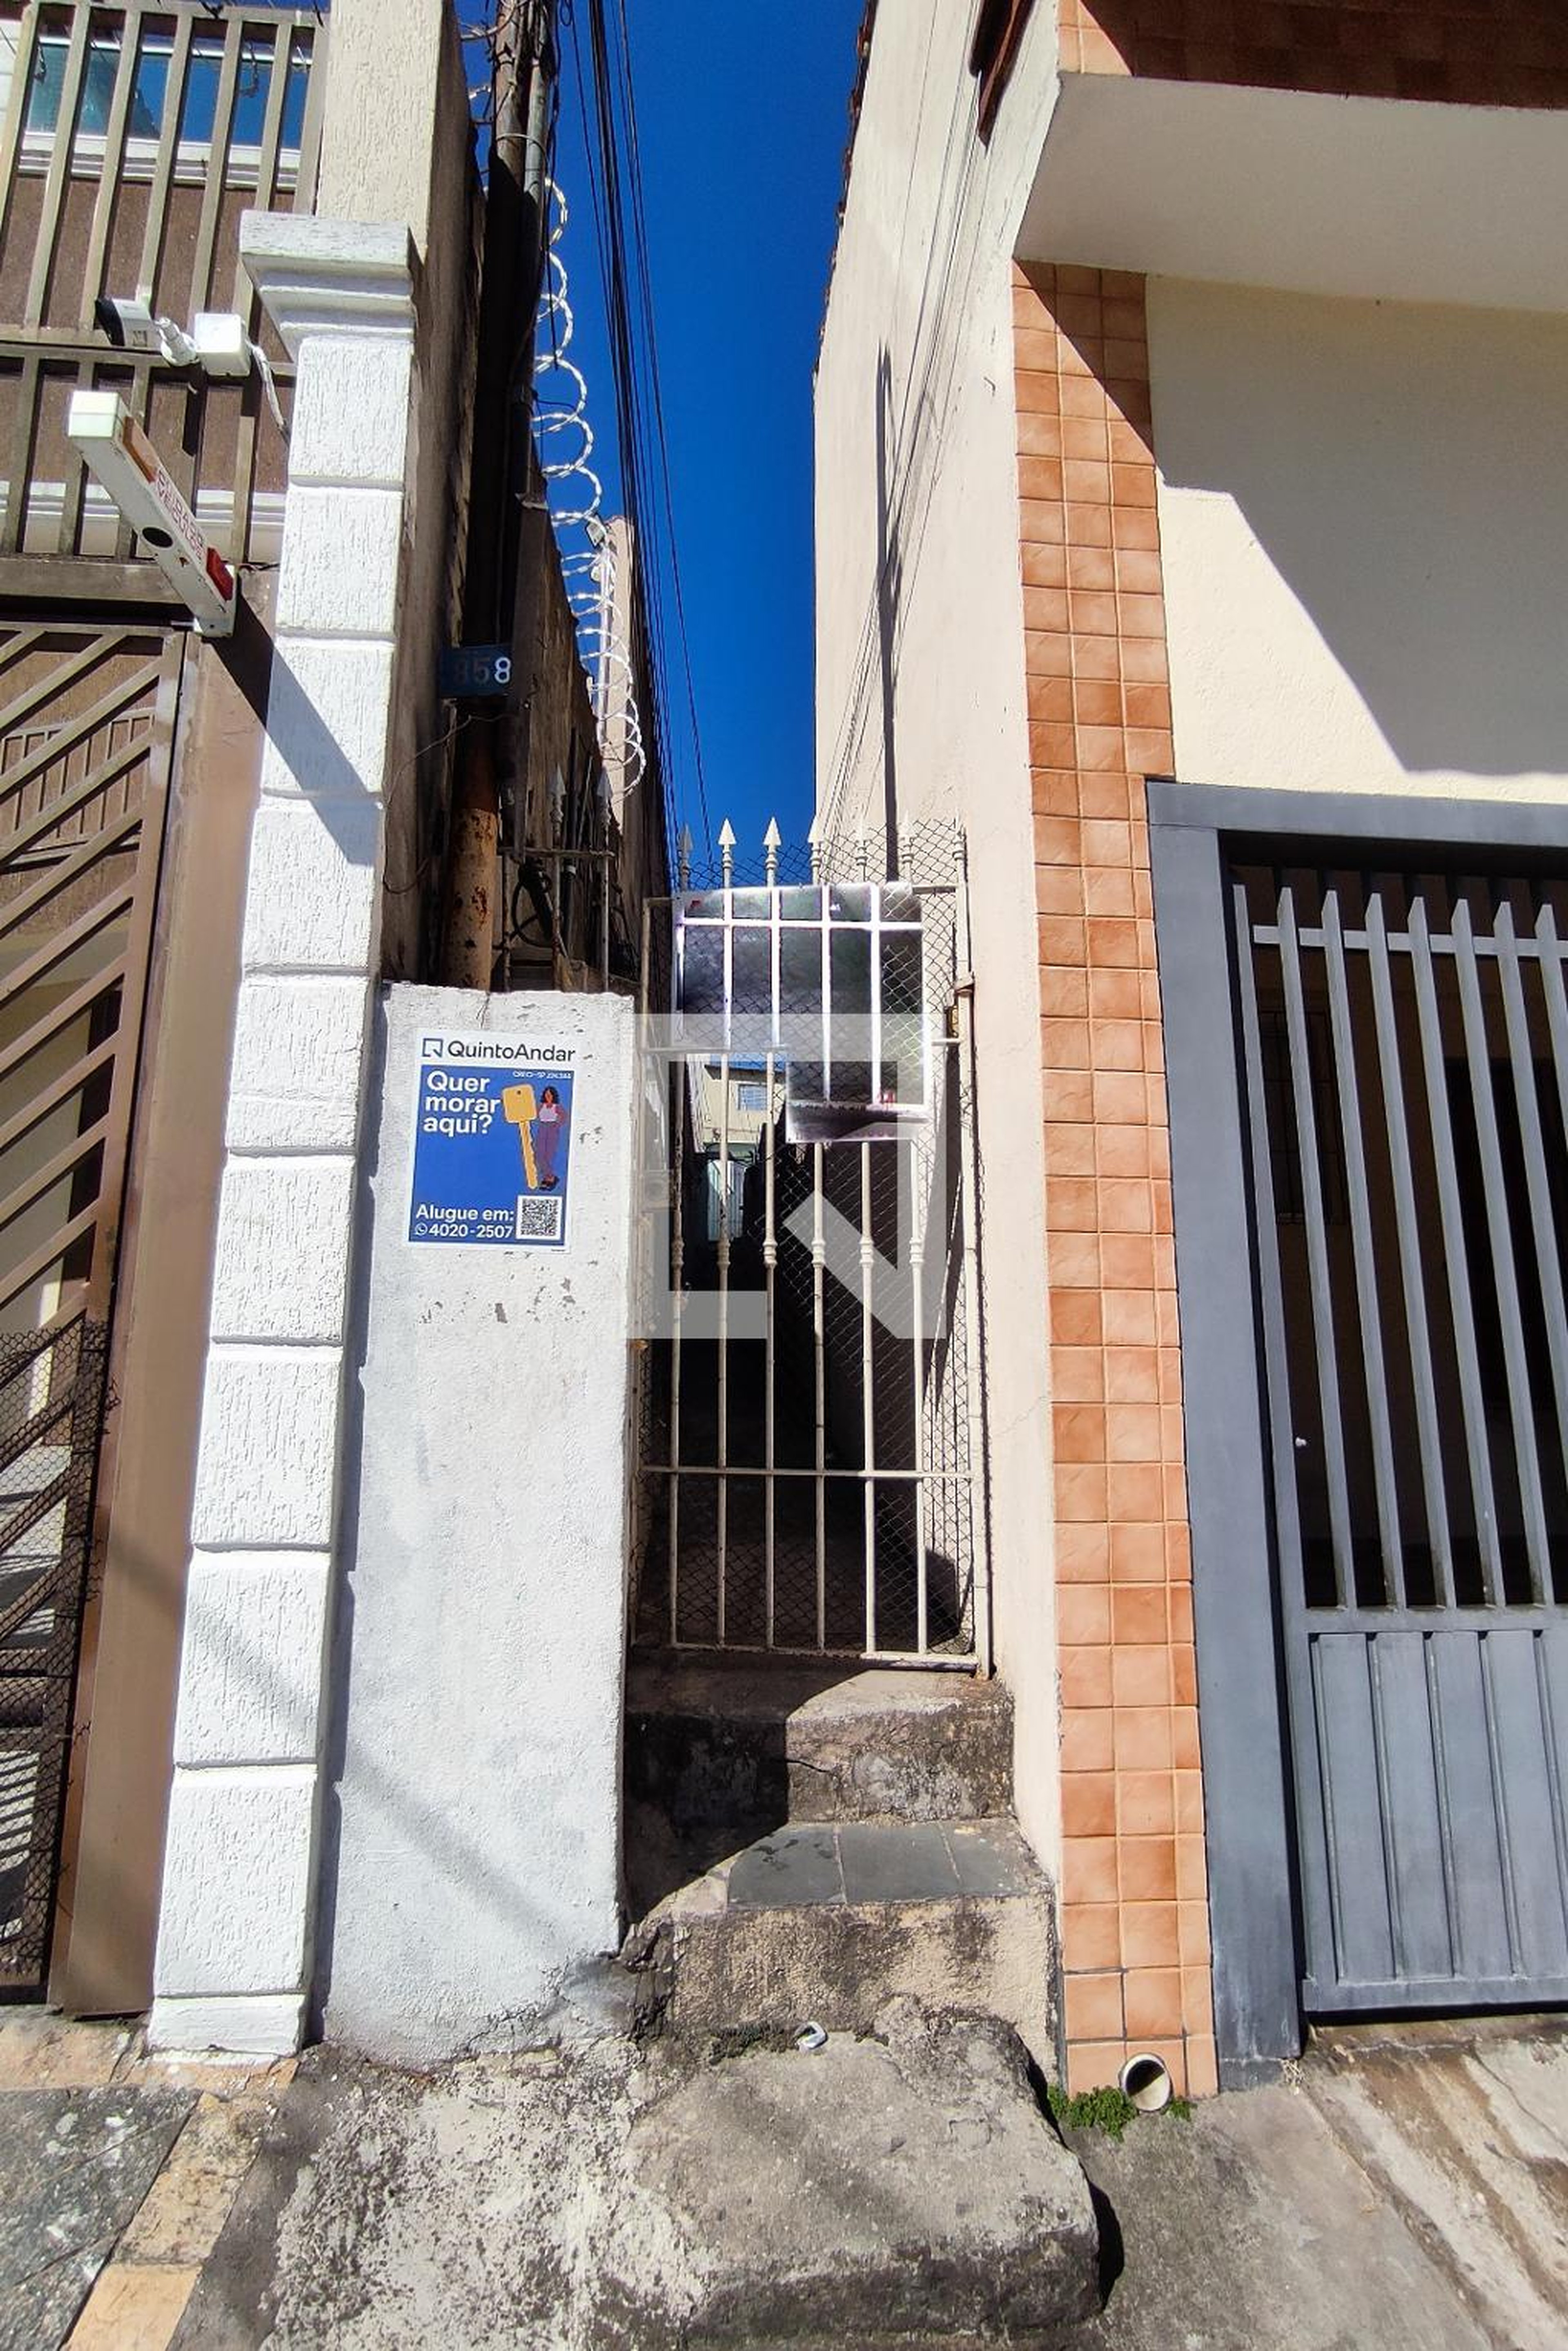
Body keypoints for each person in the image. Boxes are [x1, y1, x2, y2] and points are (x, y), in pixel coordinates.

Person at [533, 1084, 568, 1189]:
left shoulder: (557, 1107)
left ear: (554, 1096)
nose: (548, 1097)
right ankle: (550, 1176)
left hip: (552, 1129)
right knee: (539, 1155)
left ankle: (548, 1178)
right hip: (542, 1129)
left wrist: (558, 1124)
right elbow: (530, 1111)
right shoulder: (540, 1106)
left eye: (550, 1095)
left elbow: (565, 1117)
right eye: (547, 1095)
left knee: (548, 1155)